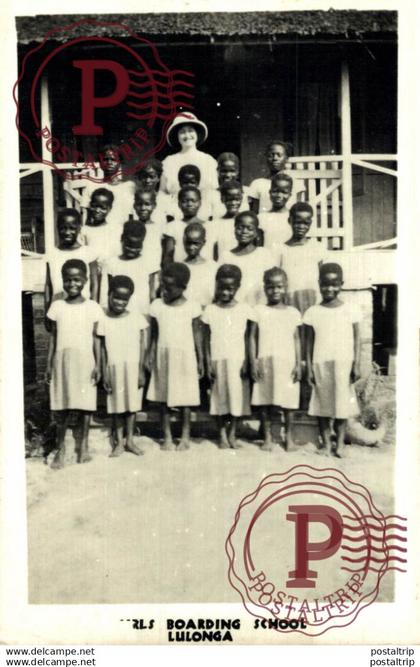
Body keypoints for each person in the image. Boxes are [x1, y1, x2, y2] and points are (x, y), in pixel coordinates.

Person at [45, 259, 102, 469]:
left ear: (86, 280)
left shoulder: (93, 307)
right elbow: (53, 337)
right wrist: (49, 363)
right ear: (62, 281)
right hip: (62, 359)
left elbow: (97, 338)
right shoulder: (57, 305)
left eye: (77, 279)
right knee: (61, 404)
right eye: (67, 280)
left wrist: (98, 365)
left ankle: (83, 445)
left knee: (86, 402)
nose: (72, 284)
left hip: (85, 359)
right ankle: (61, 447)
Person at [304, 263, 362, 458]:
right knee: (322, 404)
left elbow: (357, 339)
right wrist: (309, 367)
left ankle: (340, 445)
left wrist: (357, 363)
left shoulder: (351, 309)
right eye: (325, 284)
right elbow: (308, 343)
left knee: (341, 405)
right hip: (320, 362)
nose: (329, 289)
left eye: (334, 284)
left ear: (341, 284)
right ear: (319, 284)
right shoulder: (313, 312)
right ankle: (326, 444)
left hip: (343, 362)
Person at [145, 263, 204, 451]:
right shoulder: (157, 306)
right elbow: (154, 335)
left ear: (182, 287)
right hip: (164, 355)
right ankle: (168, 436)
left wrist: (201, 358)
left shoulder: (192, 307)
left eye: (169, 287)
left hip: (185, 356)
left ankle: (185, 436)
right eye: (162, 285)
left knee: (185, 399)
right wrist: (149, 354)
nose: (164, 290)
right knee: (163, 398)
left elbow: (197, 335)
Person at [202, 264, 256, 449]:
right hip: (217, 358)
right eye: (221, 287)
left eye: (230, 288)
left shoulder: (244, 309)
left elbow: (249, 337)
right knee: (219, 398)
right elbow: (205, 339)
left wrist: (249, 361)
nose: (225, 292)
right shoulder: (210, 310)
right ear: (216, 285)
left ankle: (232, 433)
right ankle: (222, 434)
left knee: (236, 398)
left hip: (237, 360)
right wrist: (207, 362)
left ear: (237, 288)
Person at [251, 268, 302, 451]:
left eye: (279, 286)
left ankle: (288, 438)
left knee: (288, 402)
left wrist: (298, 363)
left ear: (286, 287)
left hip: (287, 362)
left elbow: (296, 339)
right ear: (265, 288)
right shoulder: (258, 310)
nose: (275, 291)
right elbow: (251, 338)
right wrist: (253, 361)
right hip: (264, 360)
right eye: (271, 287)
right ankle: (267, 437)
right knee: (264, 400)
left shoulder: (293, 312)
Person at [98, 275, 149, 458]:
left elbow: (143, 344)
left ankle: (130, 441)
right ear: (109, 294)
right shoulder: (104, 319)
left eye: (124, 299)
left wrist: (141, 369)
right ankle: (119, 442)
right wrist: (104, 371)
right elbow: (102, 349)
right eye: (116, 297)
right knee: (117, 406)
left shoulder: (136, 317)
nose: (120, 302)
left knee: (132, 406)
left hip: (133, 368)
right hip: (114, 367)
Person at [45, 209, 98, 313]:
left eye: (72, 228)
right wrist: (47, 310)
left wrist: (94, 308)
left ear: (79, 228)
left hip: (83, 310)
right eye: (63, 228)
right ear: (57, 228)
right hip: (58, 310)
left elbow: (94, 284)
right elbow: (48, 285)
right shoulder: (52, 253)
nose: (67, 232)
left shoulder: (88, 252)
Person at [100, 222, 159, 314]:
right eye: (129, 245)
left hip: (142, 313)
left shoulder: (150, 263)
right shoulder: (111, 263)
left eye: (137, 246)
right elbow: (104, 294)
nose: (132, 249)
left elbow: (152, 293)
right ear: (122, 239)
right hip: (117, 315)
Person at [278, 202, 326, 315]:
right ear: (289, 221)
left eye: (306, 223)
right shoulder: (280, 249)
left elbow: (322, 277)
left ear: (311, 223)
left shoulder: (317, 247)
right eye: (297, 222)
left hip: (312, 299)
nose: (301, 227)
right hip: (289, 300)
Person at [220, 211, 277, 305]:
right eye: (240, 228)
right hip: (234, 309)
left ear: (256, 233)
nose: (244, 232)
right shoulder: (226, 256)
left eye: (249, 228)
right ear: (234, 230)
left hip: (259, 306)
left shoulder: (264, 254)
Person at [160, 113, 218, 196]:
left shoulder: (208, 160)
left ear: (196, 133)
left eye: (190, 130)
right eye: (182, 132)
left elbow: (215, 191)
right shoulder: (168, 162)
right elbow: (162, 192)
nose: (187, 135)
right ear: (177, 136)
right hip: (174, 207)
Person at [80, 144, 136, 226]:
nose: (109, 162)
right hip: (99, 233)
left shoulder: (128, 187)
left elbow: (132, 215)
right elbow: (86, 217)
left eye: (113, 159)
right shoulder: (92, 186)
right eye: (105, 159)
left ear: (119, 162)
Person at [248, 140, 305, 214]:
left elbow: (298, 212)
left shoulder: (296, 183)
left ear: (286, 159)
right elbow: (254, 213)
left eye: (279, 155)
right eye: (271, 155)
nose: (275, 158)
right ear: (266, 158)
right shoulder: (258, 184)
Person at [162, 186, 212, 264]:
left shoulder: (209, 226)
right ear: (179, 204)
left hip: (204, 270)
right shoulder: (172, 226)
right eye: (185, 201)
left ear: (200, 203)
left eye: (193, 201)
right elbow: (168, 256)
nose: (189, 204)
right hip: (180, 271)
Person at [81, 188, 121, 264]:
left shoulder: (115, 229)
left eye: (103, 208)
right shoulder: (85, 230)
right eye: (94, 206)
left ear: (110, 208)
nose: (97, 210)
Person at [182, 222, 218, 307]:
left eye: (196, 243)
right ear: (183, 241)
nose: (191, 247)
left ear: (203, 242)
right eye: (188, 243)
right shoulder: (179, 267)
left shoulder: (213, 267)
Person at [208, 152, 250, 219]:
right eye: (224, 171)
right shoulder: (211, 195)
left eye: (232, 171)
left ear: (238, 172)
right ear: (218, 171)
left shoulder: (247, 192)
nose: (228, 175)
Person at [259, 174, 293, 250]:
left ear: (290, 195)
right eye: (275, 191)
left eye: (284, 192)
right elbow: (259, 247)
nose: (279, 195)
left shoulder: (293, 217)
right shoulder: (262, 217)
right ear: (270, 192)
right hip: (268, 259)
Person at [212, 180, 245, 259]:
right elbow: (214, 249)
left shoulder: (246, 221)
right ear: (222, 199)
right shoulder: (216, 223)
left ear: (241, 199)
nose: (233, 203)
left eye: (237, 199)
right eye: (230, 200)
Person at [133, 186, 164, 269]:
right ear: (134, 206)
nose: (143, 208)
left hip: (154, 270)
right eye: (139, 204)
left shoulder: (160, 229)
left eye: (147, 204)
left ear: (154, 205)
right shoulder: (131, 228)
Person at [136, 158, 172, 225]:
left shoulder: (166, 200)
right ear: (139, 178)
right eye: (144, 176)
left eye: (151, 177)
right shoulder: (133, 199)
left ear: (158, 178)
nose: (147, 180)